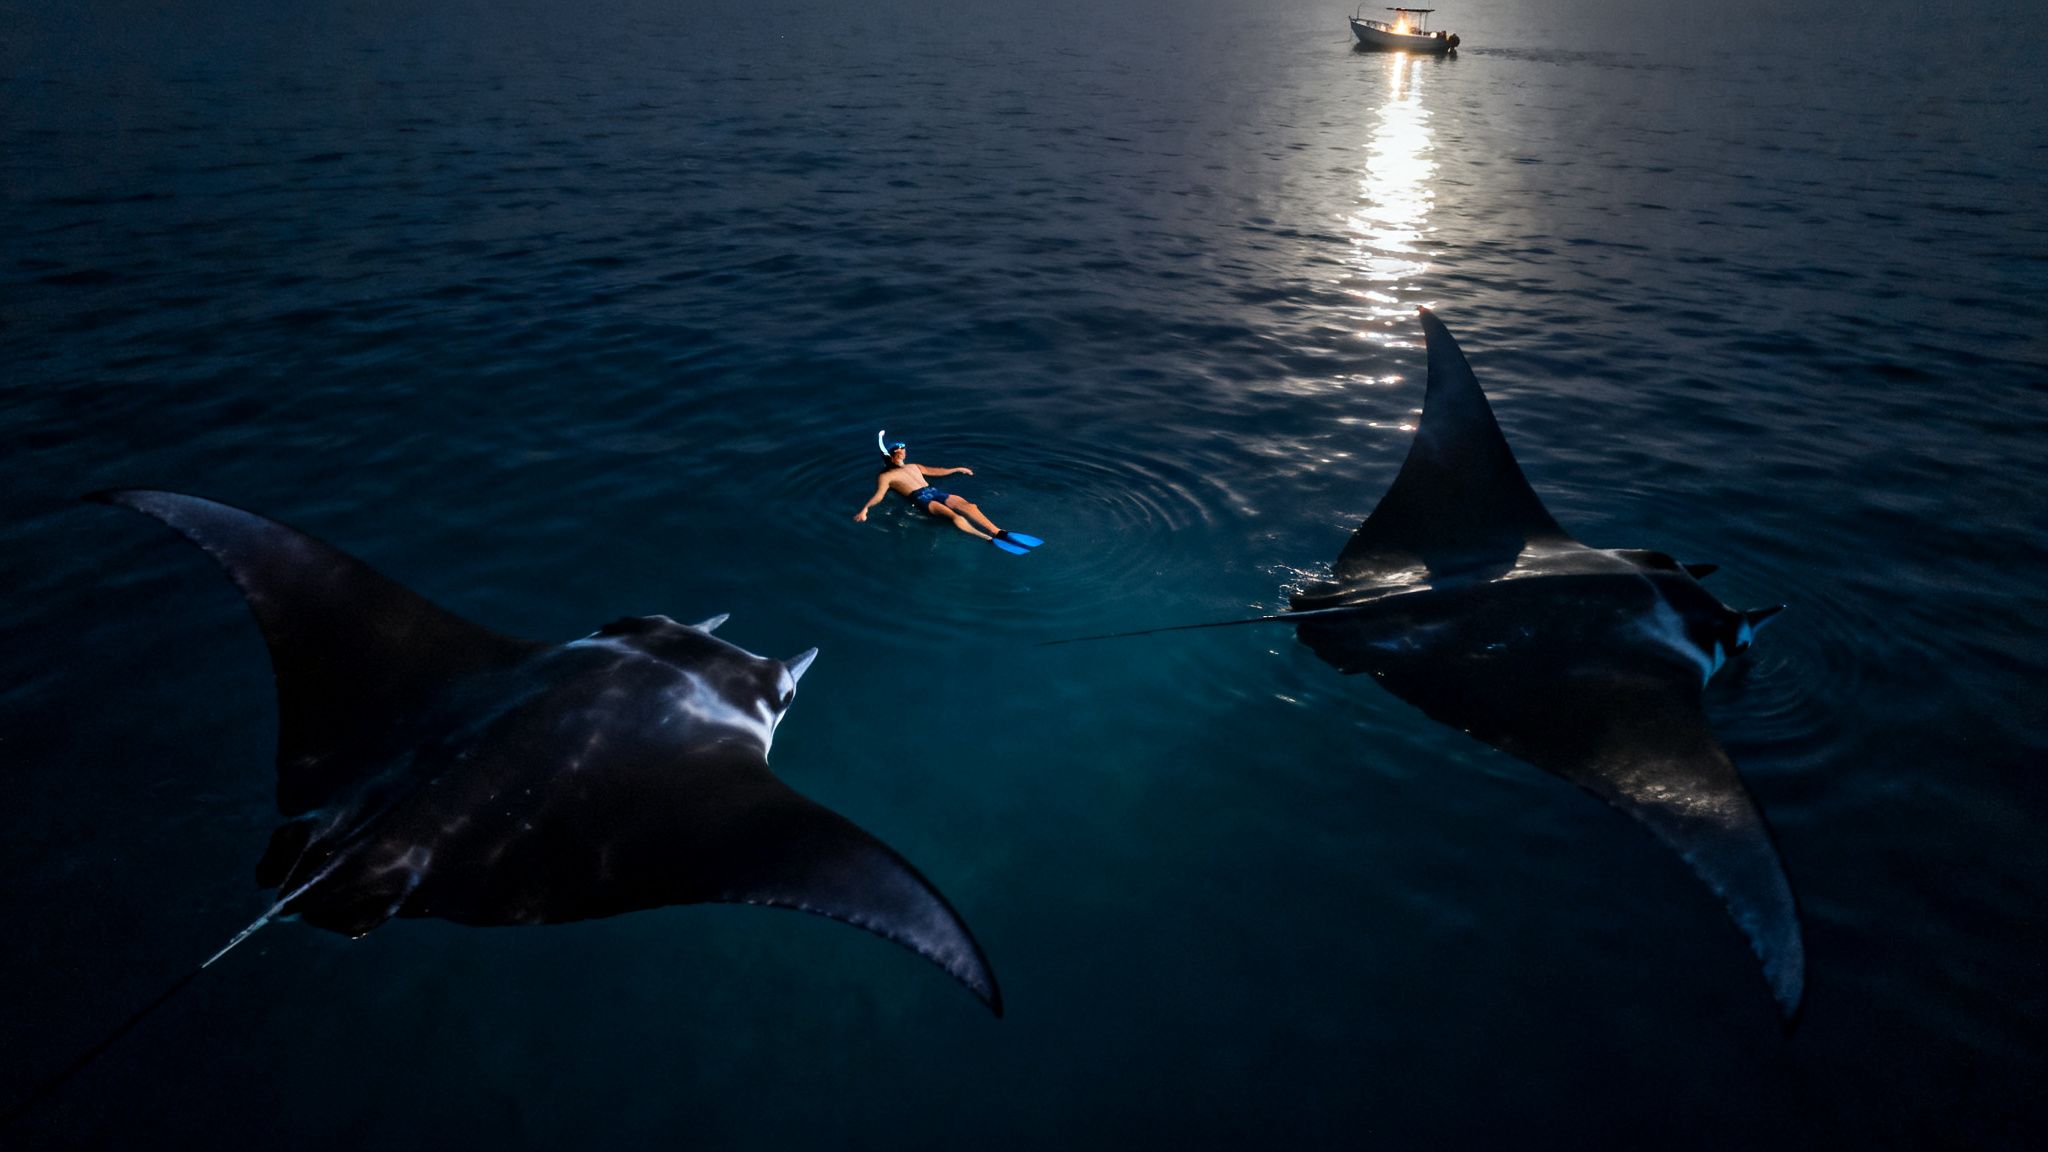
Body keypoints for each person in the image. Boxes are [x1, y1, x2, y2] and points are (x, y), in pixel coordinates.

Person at [854, 436, 1019, 545]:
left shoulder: (913, 466)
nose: (903, 453)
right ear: (891, 456)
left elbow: (935, 471)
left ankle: (998, 532)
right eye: (899, 451)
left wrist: (956, 469)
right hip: (921, 499)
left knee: (970, 506)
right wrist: (865, 509)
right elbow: (879, 495)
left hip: (933, 491)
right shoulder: (885, 477)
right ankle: (988, 539)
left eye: (903, 450)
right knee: (954, 516)